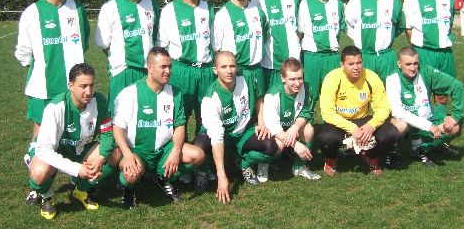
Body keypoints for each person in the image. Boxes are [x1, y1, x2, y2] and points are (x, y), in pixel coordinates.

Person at [15, 0, 90, 167]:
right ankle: (38, 182)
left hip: (72, 86)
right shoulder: (32, 13)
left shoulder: (78, 9)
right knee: (40, 133)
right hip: (43, 87)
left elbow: (83, 44)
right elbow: (23, 53)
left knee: (74, 131)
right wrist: (42, 68)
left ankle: (77, 176)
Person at [112, 47, 205, 208]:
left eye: (169, 66)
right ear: (149, 68)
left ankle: (163, 177)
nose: (168, 71)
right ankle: (128, 188)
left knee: (198, 155)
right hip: (138, 151)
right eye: (163, 67)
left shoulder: (175, 93)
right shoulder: (130, 93)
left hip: (164, 149)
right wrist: (127, 154)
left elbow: (180, 125)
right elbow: (117, 128)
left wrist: (175, 151)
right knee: (132, 175)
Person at [27, 64, 119, 220]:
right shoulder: (55, 108)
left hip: (80, 147)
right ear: (71, 86)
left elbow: (107, 134)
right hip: (52, 151)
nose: (88, 91)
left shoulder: (99, 101)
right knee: (39, 172)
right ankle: (47, 196)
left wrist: (101, 157)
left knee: (114, 155)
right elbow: (44, 150)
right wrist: (77, 169)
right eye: (83, 86)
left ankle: (81, 189)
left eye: (91, 85)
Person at [194, 51, 278, 203]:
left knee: (271, 146)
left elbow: (259, 98)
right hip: (220, 135)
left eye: (232, 66)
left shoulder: (247, 78)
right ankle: (204, 171)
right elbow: (217, 135)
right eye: (224, 67)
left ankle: (243, 163)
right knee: (199, 147)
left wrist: (261, 122)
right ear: (215, 70)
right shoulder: (210, 98)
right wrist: (222, 175)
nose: (229, 71)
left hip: (242, 131)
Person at [318, 46, 400, 176]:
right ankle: (331, 159)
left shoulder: (371, 77)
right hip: (340, 120)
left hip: (363, 118)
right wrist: (352, 128)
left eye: (359, 63)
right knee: (327, 138)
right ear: (342, 65)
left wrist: (371, 125)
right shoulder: (332, 78)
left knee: (391, 134)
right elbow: (327, 113)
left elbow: (384, 107)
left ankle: (371, 156)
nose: (356, 67)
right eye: (351, 64)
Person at [95, 0, 160, 115]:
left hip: (148, 71)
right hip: (123, 70)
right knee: (119, 116)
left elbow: (156, 36)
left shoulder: (151, 3)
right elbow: (103, 43)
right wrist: (120, 58)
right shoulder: (110, 7)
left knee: (146, 115)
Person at [157, 0, 215, 134]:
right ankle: (179, 154)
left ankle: (204, 154)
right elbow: (162, 43)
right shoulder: (170, 9)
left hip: (205, 70)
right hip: (181, 70)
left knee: (206, 115)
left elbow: (215, 40)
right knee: (179, 115)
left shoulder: (207, 7)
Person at [386, 47, 464, 167]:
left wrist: (456, 116)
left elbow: (456, 85)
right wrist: (428, 126)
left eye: (415, 63)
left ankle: (421, 147)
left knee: (454, 128)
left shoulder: (426, 72)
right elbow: (398, 111)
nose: (413, 68)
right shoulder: (392, 79)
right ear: (399, 64)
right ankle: (393, 151)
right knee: (399, 124)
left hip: (428, 119)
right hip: (407, 123)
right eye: (408, 64)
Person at [403, 0, 456, 119]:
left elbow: (449, 24)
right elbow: (408, 28)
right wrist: (417, 51)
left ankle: (439, 124)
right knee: (421, 93)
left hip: (445, 53)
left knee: (442, 93)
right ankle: (421, 130)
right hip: (424, 52)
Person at [213, 0, 269, 110]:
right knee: (236, 111)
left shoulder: (258, 11)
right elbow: (217, 49)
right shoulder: (222, 15)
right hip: (235, 72)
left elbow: (265, 36)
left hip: (256, 69)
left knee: (260, 111)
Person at [345, 0, 405, 84]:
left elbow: (399, 27)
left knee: (389, 96)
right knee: (363, 96)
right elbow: (348, 25)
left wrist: (386, 37)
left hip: (387, 57)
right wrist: (359, 37)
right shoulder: (356, 0)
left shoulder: (394, 1)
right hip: (364, 56)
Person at [263, 58, 320, 181]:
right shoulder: (272, 95)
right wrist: (295, 144)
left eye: (299, 78)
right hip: (277, 131)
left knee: (308, 130)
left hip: (292, 126)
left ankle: (299, 167)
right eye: (292, 79)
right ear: (283, 78)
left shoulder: (306, 88)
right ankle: (264, 163)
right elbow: (272, 126)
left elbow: (306, 112)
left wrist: (295, 128)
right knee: (278, 146)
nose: (297, 83)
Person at [250, 0, 301, 91]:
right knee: (270, 105)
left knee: (293, 105)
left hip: (293, 62)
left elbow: (300, 28)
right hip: (271, 63)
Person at [299, 0, 346, 104]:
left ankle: (332, 126)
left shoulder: (338, 3)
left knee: (334, 97)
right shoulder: (305, 4)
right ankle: (308, 125)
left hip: (332, 56)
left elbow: (342, 27)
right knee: (310, 97)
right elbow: (300, 31)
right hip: (313, 57)